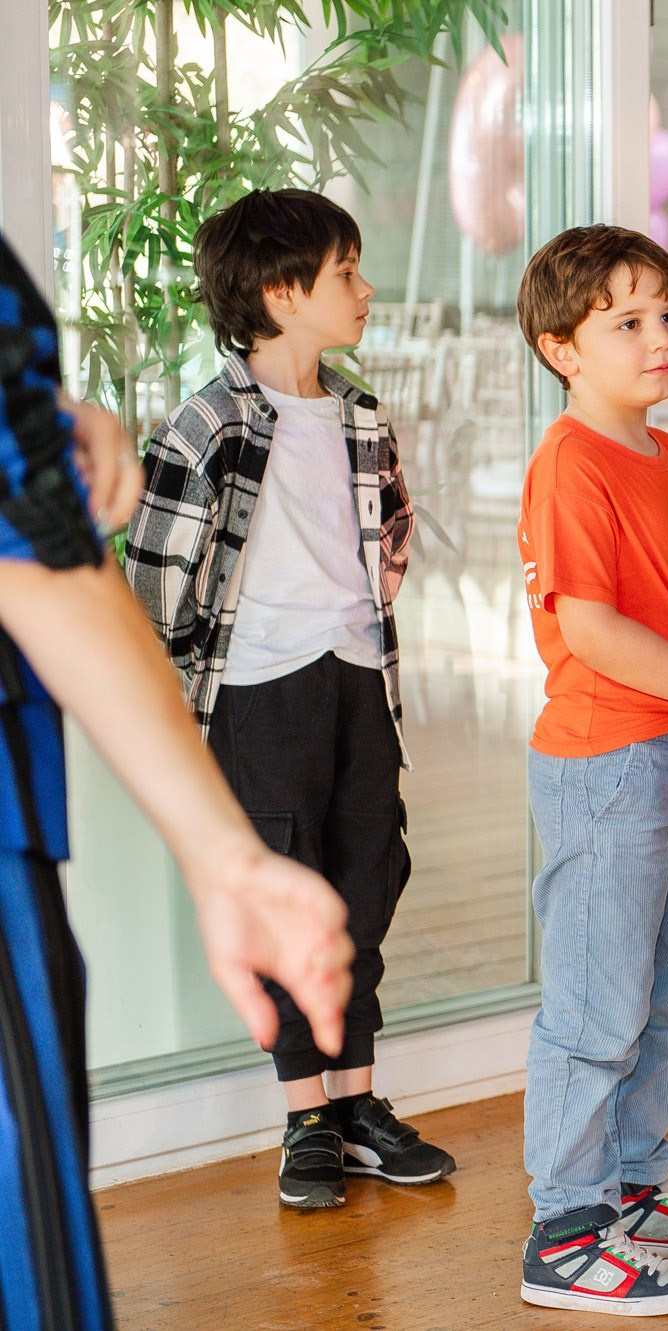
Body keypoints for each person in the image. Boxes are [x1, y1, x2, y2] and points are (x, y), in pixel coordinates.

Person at [0, 228, 351, 1331]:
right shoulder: (209, 417)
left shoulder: (354, 414)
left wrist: (51, 438)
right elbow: (52, 561)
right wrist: (223, 849)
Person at [123, 188, 454, 1208]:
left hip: (359, 679)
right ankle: (305, 1114)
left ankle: (355, 1104)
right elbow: (153, 575)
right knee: (287, 895)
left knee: (365, 880)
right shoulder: (207, 422)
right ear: (280, 291)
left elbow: (392, 535)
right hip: (257, 697)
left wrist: (354, 609)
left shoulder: (361, 412)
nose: (364, 289)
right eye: (345, 273)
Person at [512, 225, 668, 1317]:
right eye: (628, 321)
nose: (661, 336)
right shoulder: (571, 461)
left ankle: (630, 1185)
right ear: (562, 347)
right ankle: (566, 1229)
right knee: (593, 1008)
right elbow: (595, 627)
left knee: (661, 1001)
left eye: (667, 311)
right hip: (608, 763)